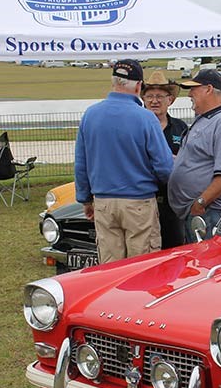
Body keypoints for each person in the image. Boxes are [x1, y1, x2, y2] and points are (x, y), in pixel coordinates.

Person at [74, 59, 173, 264]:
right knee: (142, 265)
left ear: (114, 82)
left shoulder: (91, 115)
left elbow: (81, 163)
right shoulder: (146, 118)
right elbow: (164, 166)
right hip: (139, 201)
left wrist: (85, 198)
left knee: (110, 267)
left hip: (103, 201)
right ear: (138, 86)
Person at [168, 69, 221, 243]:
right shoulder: (204, 119)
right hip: (200, 212)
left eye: (194, 89)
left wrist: (200, 202)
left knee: (208, 264)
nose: (190, 94)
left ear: (209, 89)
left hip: (211, 212)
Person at [141, 71, 188, 248]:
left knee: (174, 247)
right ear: (143, 99)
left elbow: (190, 159)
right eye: (150, 96)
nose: (154, 101)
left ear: (170, 99)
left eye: (160, 96)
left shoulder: (180, 127)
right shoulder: (136, 126)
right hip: (143, 200)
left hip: (172, 202)